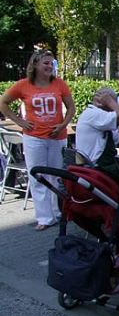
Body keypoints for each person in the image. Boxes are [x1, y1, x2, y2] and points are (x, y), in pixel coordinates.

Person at [0, 50, 76, 231]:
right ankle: (44, 217)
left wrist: (63, 125)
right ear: (35, 65)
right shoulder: (23, 85)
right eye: (46, 63)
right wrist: (19, 121)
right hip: (34, 138)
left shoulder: (59, 84)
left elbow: (71, 108)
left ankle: (57, 212)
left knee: (56, 176)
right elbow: (3, 103)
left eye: (51, 63)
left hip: (57, 137)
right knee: (37, 176)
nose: (50, 67)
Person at [75, 87, 119, 185]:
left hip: (101, 169)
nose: (113, 110)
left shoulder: (100, 121)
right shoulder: (94, 114)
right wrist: (110, 102)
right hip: (97, 171)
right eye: (113, 104)